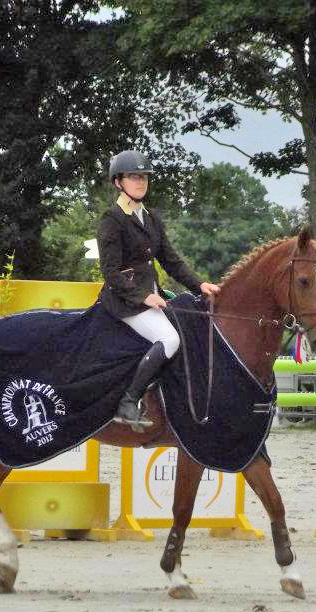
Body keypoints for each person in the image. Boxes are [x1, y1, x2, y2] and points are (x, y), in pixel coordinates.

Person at [97, 150, 221, 427]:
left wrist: (199, 284)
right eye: (133, 176)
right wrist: (143, 296)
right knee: (170, 340)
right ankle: (128, 402)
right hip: (125, 301)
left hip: (154, 298)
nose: (140, 182)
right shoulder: (112, 219)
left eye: (143, 177)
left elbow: (170, 259)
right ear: (118, 182)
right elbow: (110, 271)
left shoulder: (151, 217)